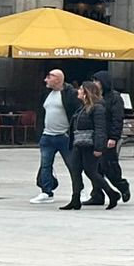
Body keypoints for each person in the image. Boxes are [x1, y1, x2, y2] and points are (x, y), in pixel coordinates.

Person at [32, 66, 81, 205]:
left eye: (49, 77)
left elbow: (77, 113)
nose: (45, 80)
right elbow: (41, 113)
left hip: (64, 136)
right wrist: (40, 131)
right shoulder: (46, 93)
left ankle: (79, 190)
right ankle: (46, 192)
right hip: (47, 136)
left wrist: (73, 133)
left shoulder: (70, 94)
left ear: (58, 79)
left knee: (72, 165)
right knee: (45, 165)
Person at [70, 80, 116, 211]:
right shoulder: (82, 108)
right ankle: (75, 198)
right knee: (75, 170)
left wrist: (98, 147)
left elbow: (100, 129)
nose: (78, 91)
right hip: (79, 143)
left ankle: (111, 193)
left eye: (80, 89)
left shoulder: (98, 108)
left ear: (87, 92)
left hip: (90, 144)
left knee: (91, 171)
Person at [94, 68, 133, 205]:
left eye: (97, 81)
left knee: (109, 166)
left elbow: (117, 119)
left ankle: (122, 185)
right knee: (94, 168)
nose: (95, 83)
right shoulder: (95, 97)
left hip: (108, 136)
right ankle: (97, 195)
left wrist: (113, 137)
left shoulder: (115, 98)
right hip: (96, 136)